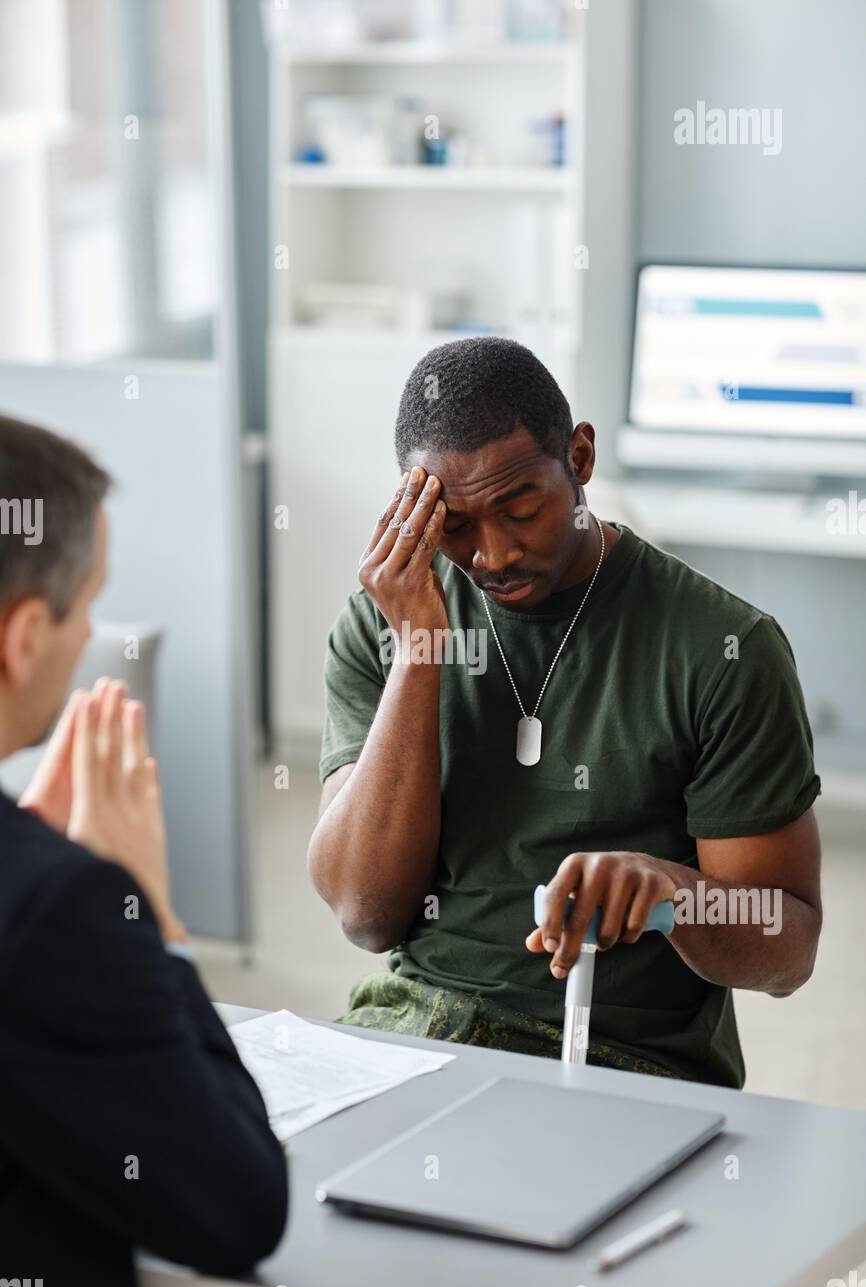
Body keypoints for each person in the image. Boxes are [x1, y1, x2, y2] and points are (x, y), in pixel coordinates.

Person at [307, 336, 823, 1089]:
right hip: (414, 1025)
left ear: (579, 457)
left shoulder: (724, 649)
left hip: (620, 1061)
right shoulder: (385, 624)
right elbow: (364, 910)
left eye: (522, 509)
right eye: (453, 525)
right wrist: (420, 653)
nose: (493, 555)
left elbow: (789, 948)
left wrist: (670, 894)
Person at [0, 414, 288, 1287]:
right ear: (22, 639)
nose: (90, 636)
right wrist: (150, 915)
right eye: (87, 605)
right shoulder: (60, 910)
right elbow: (237, 1208)